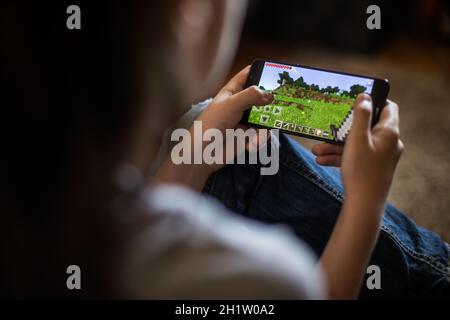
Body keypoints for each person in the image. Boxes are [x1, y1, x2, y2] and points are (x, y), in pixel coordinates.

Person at [2, 1, 449, 299]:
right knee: (244, 149)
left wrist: (188, 161)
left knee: (202, 126)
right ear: (190, 17)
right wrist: (366, 201)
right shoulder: (255, 277)